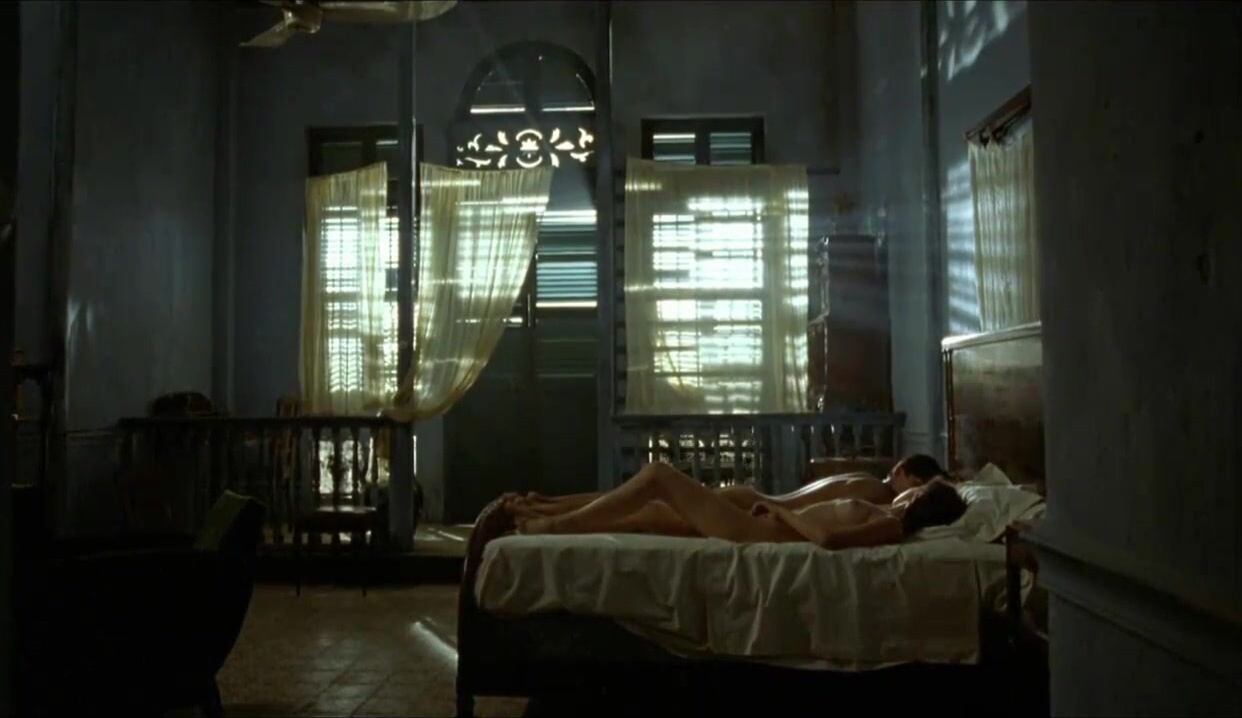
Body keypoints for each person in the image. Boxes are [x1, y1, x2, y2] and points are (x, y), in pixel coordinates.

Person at [508, 461, 968, 550]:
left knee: (659, 478)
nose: (908, 492)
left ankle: (553, 524)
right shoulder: (886, 509)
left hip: (759, 530)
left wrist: (781, 513)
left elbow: (828, 538)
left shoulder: (892, 526)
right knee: (651, 501)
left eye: (918, 493)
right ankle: (553, 517)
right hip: (761, 518)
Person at [509, 453, 950, 518]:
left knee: (646, 502)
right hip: (752, 505)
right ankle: (551, 510)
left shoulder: (863, 480)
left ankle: (552, 506)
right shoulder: (877, 491)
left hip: (750, 497)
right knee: (646, 505)